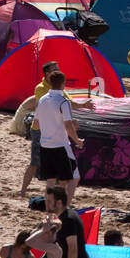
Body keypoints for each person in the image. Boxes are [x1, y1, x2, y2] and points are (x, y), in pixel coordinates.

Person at [33, 71, 85, 206]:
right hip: (60, 145)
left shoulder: (43, 99)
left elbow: (36, 123)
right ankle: (63, 207)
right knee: (71, 178)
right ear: (63, 84)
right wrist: (77, 140)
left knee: (50, 180)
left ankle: (50, 208)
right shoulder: (63, 102)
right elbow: (68, 126)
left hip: (45, 145)